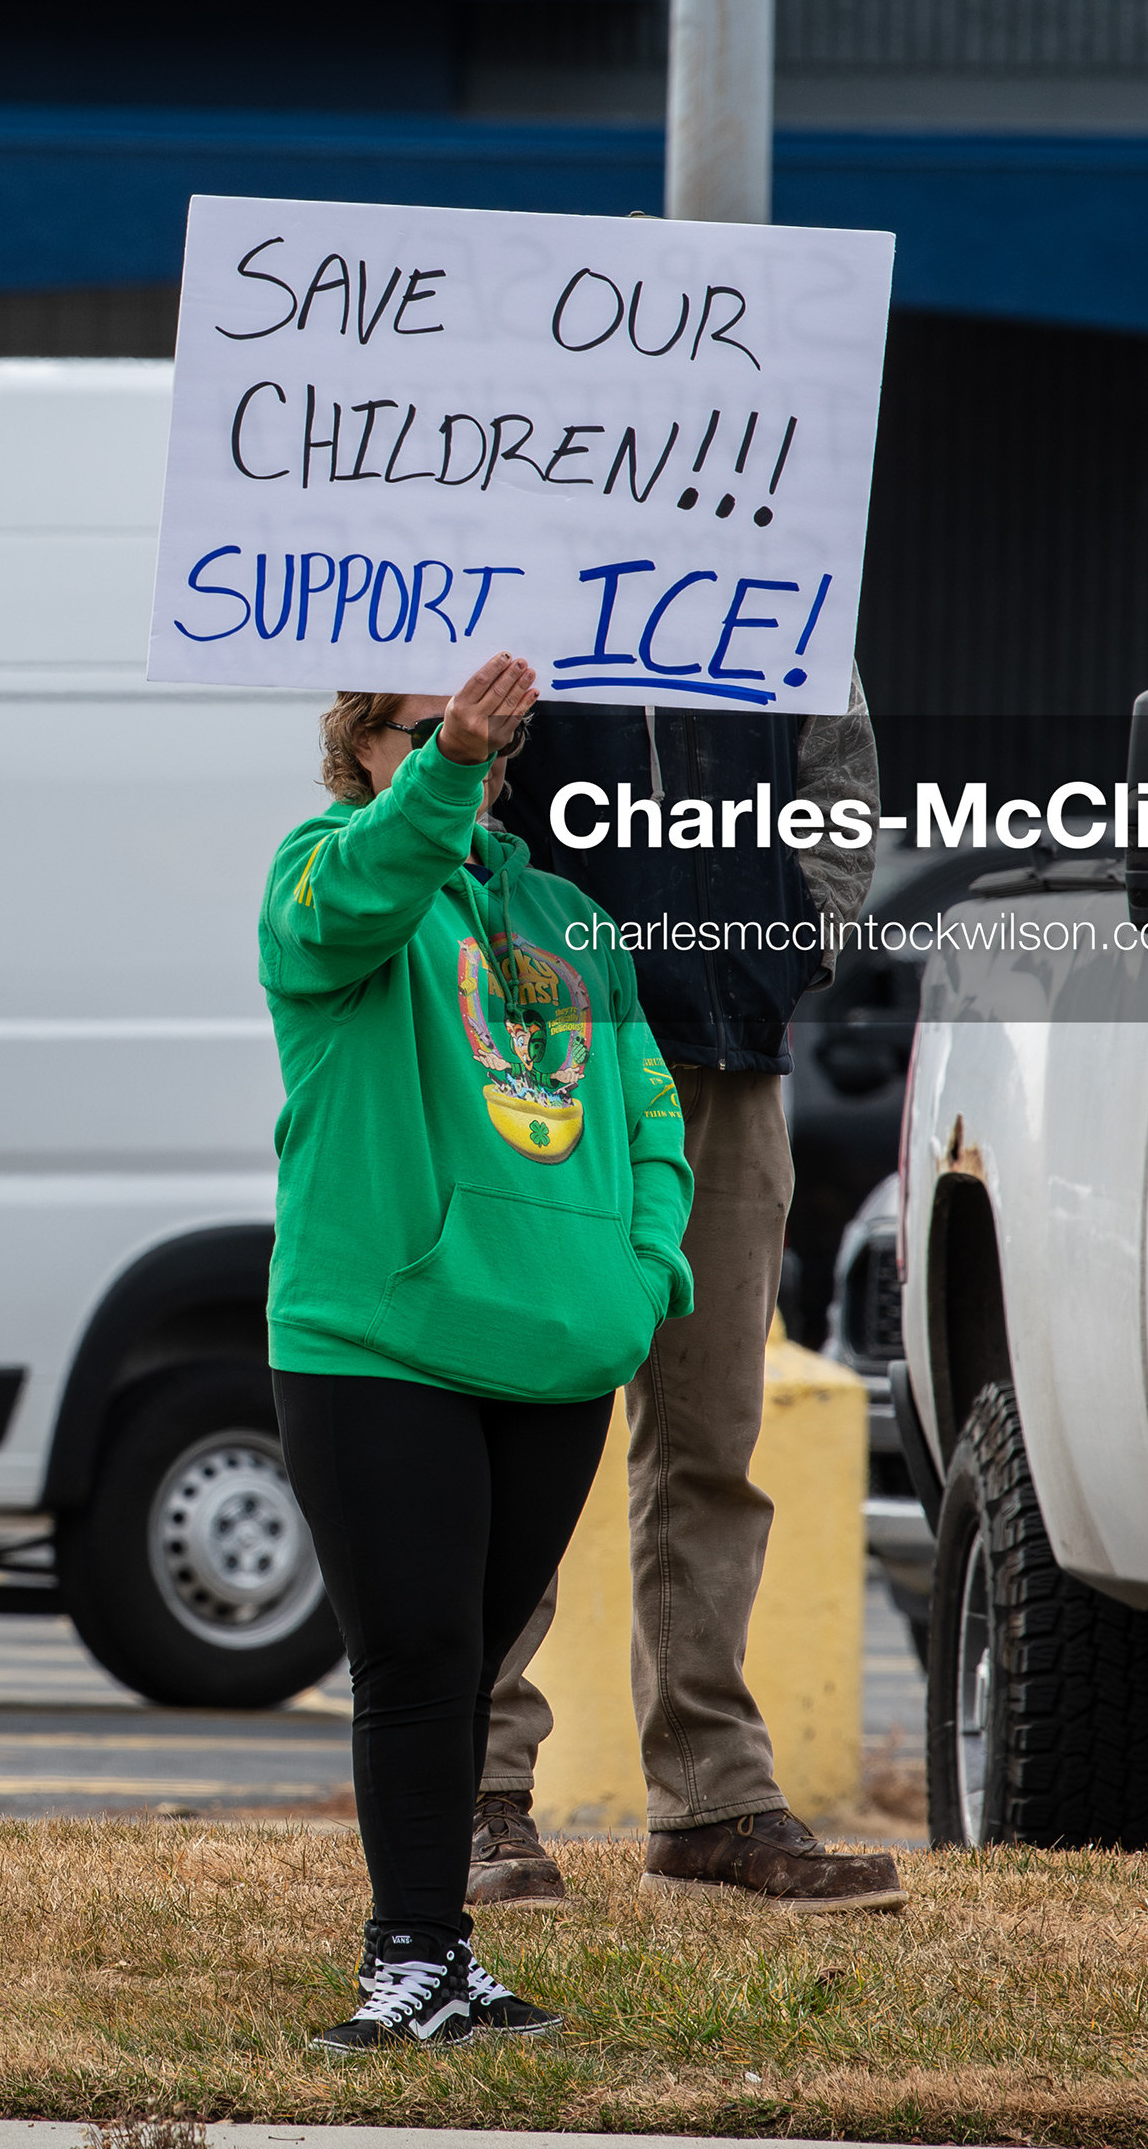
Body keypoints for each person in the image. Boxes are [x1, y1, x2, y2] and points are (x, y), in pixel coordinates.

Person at [262, 655, 694, 2054]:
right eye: (441, 732)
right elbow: (370, 898)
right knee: (418, 1654)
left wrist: (636, 1283)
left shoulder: (572, 918)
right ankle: (413, 1958)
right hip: (379, 1340)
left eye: (504, 742)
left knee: (466, 1654)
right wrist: (444, 764)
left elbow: (648, 1123)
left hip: (558, 1352)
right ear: (366, 744)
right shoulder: (323, 874)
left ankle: (445, 1957)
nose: (486, 755)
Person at [476, 675, 904, 1914]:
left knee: (713, 1438)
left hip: (729, 1052)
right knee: (519, 1425)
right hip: (538, 1050)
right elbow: (404, 749)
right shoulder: (520, 526)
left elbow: (839, 765)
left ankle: (712, 1802)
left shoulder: (773, 536)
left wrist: (799, 932)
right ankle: (480, 1792)